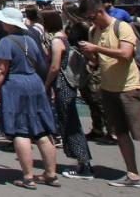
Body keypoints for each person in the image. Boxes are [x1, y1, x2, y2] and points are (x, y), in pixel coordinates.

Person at [77, 0, 140, 190]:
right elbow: (97, 60)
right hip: (108, 88)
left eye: (90, 17)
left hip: (130, 88)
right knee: (120, 134)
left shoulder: (122, 27)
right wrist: (90, 56)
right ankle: (132, 174)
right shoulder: (94, 31)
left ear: (100, 11)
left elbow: (126, 54)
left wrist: (96, 48)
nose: (90, 22)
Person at [0, 6, 58, 188]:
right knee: (42, 130)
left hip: (15, 85)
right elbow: (41, 63)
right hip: (34, 83)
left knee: (21, 131)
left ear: (8, 23)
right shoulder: (31, 39)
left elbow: (1, 70)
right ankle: (51, 173)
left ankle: (28, 177)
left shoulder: (6, 41)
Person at [42, 10, 94, 180]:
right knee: (69, 122)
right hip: (66, 85)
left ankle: (84, 164)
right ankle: (82, 162)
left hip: (62, 85)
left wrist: (46, 85)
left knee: (70, 124)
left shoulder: (57, 40)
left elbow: (55, 66)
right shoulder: (63, 36)